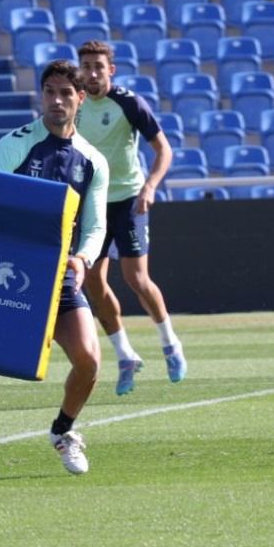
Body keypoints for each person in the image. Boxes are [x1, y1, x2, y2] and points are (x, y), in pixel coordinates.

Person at [0, 59, 108, 485]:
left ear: (81, 98)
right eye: (50, 92)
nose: (57, 101)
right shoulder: (15, 144)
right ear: (41, 95)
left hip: (60, 274)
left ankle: (63, 431)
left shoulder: (92, 161)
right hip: (8, 268)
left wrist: (83, 259)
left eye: (66, 93)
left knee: (89, 359)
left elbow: (96, 224)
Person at [73, 40, 187, 397]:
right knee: (91, 280)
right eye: (86, 66)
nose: (91, 73)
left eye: (98, 66)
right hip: (91, 205)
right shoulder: (73, 104)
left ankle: (170, 343)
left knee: (136, 278)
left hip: (128, 200)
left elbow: (163, 149)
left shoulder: (129, 103)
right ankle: (125, 355)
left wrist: (150, 186)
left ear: (111, 70)